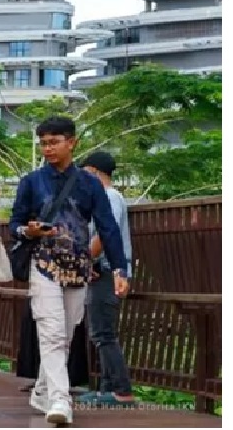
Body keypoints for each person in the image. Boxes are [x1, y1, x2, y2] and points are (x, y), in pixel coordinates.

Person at [9, 116, 130, 425]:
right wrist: (30, 231)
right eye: (44, 143)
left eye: (54, 142)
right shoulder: (31, 182)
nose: (48, 149)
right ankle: (61, 400)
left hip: (78, 268)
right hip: (43, 265)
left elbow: (107, 227)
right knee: (50, 331)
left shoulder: (90, 184)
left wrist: (119, 268)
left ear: (71, 142)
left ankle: (41, 390)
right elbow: (15, 226)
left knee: (64, 334)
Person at [77, 151, 136, 407]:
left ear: (94, 172)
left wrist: (83, 260)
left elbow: (104, 233)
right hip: (104, 271)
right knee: (100, 331)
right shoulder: (110, 197)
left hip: (108, 271)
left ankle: (121, 390)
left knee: (104, 333)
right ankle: (106, 390)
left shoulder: (109, 197)